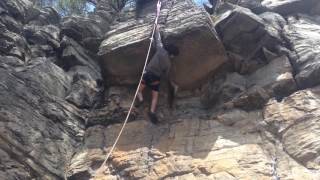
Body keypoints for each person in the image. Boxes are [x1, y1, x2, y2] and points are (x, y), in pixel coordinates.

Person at [136, 24, 179, 124]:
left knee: (139, 91)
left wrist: (157, 28)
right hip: (155, 78)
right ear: (172, 54)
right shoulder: (168, 63)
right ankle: (152, 111)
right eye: (174, 56)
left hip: (147, 73)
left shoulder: (160, 49)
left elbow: (157, 38)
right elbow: (166, 73)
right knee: (155, 96)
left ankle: (141, 100)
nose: (173, 57)